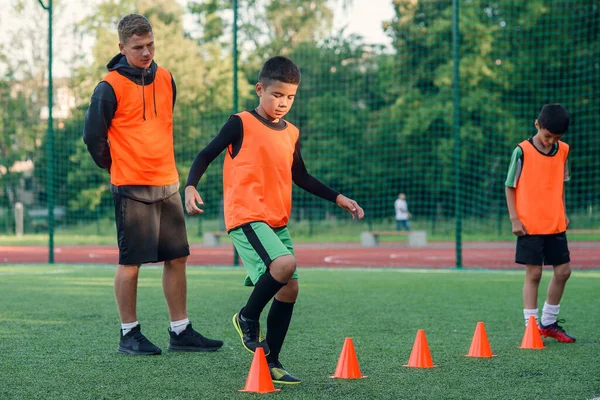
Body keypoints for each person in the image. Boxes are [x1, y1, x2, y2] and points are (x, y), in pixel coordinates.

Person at [185, 56, 364, 383]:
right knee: (283, 265)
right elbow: (205, 154)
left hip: (276, 221)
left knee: (290, 288)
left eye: (290, 97)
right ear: (260, 89)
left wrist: (338, 197)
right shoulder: (240, 122)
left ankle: (272, 362)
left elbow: (302, 176)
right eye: (276, 95)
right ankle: (246, 316)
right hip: (246, 215)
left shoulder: (291, 133)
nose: (283, 103)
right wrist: (191, 186)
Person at [83, 14, 223, 355]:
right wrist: (117, 166)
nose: (146, 53)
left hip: (168, 184)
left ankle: (181, 330)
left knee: (177, 258)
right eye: (138, 47)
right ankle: (129, 334)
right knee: (130, 263)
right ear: (122, 47)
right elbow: (93, 138)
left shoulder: (167, 78)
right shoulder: (108, 87)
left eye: (150, 45)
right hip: (131, 187)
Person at [504, 103, 575, 343]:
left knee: (563, 272)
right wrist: (514, 218)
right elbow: (510, 185)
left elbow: (561, 183)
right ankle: (531, 328)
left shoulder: (563, 150)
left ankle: (548, 322)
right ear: (537, 125)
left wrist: (563, 211)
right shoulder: (522, 151)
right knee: (533, 274)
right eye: (547, 136)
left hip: (555, 222)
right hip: (529, 224)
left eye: (556, 137)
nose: (550, 141)